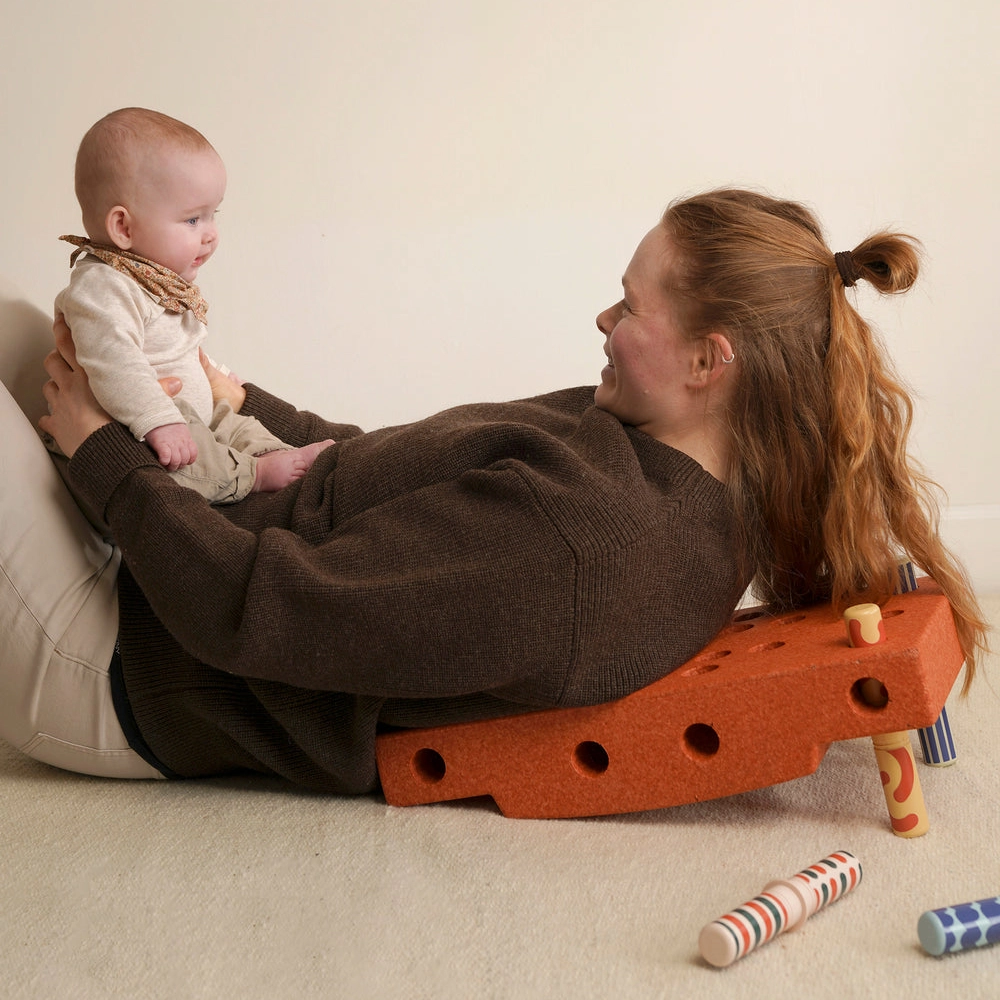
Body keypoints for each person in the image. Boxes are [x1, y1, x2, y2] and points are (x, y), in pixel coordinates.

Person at [0, 188, 987, 794]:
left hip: (139, 672)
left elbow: (254, 610)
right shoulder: (637, 440)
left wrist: (105, 458)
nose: (604, 317)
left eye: (631, 304)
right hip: (187, 553)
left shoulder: (581, 541)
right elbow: (379, 472)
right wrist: (240, 406)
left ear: (707, 360)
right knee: (20, 325)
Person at [53, 107, 332, 503]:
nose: (211, 235)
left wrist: (218, 376)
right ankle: (253, 475)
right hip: (141, 428)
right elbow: (113, 360)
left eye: (212, 215)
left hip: (187, 415)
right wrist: (159, 421)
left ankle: (276, 455)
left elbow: (182, 348)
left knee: (234, 422)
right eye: (191, 220)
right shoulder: (104, 286)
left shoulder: (156, 283)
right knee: (195, 446)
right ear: (124, 228)